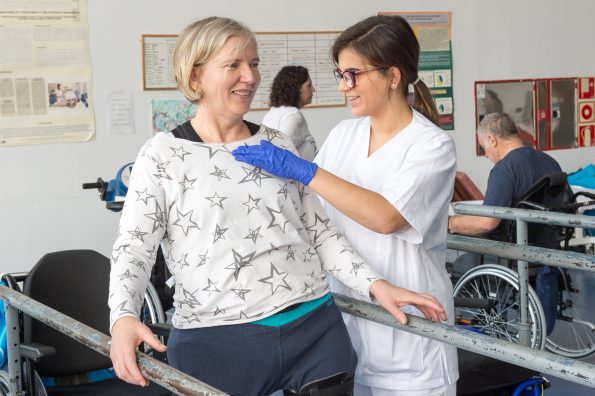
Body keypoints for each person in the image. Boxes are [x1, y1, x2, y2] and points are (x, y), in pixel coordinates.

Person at [108, 16, 447, 396]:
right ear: (195, 77)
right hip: (217, 340)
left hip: (315, 329)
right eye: (233, 65)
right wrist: (122, 315)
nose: (250, 77)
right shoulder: (162, 155)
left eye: (253, 64)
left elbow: (319, 231)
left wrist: (373, 284)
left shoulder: (276, 145)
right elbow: (134, 246)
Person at [234, 14, 458, 396]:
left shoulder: (431, 145)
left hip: (411, 340)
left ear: (393, 75)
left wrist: (303, 170)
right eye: (340, 74)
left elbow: (385, 216)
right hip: (346, 328)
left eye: (353, 74)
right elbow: (315, 210)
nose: (343, 86)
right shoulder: (344, 134)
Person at [448, 112, 567, 335]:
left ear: (492, 140)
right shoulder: (550, 161)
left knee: (455, 263)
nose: (485, 154)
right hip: (545, 248)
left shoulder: (505, 169)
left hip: (513, 253)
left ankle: (465, 321)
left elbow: (487, 222)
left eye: (484, 147)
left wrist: (450, 224)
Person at [262, 65, 318, 160]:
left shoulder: (272, 112)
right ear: (296, 89)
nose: (313, 89)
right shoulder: (293, 115)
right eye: (309, 85)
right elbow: (279, 154)